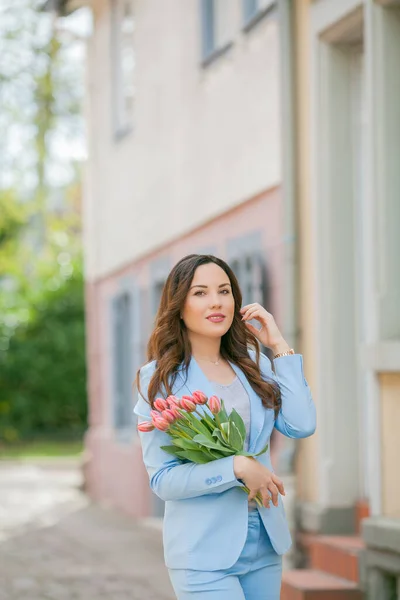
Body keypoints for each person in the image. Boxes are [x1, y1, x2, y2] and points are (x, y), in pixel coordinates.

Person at [134, 254, 316, 600]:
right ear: (179, 305)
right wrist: (235, 467)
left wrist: (278, 346)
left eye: (224, 291)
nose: (216, 302)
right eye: (200, 293)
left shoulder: (254, 365)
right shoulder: (161, 380)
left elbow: (301, 425)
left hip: (264, 541)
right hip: (203, 552)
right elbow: (163, 480)